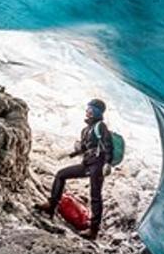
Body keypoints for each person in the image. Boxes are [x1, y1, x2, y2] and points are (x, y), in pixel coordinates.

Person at [41, 98, 114, 240]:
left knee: (95, 196)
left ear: (96, 112)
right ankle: (51, 205)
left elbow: (108, 145)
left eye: (90, 109)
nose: (87, 111)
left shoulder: (101, 126)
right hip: (87, 164)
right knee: (61, 174)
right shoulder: (87, 129)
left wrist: (108, 163)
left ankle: (93, 230)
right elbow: (85, 147)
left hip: (97, 166)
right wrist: (68, 154)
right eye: (87, 109)